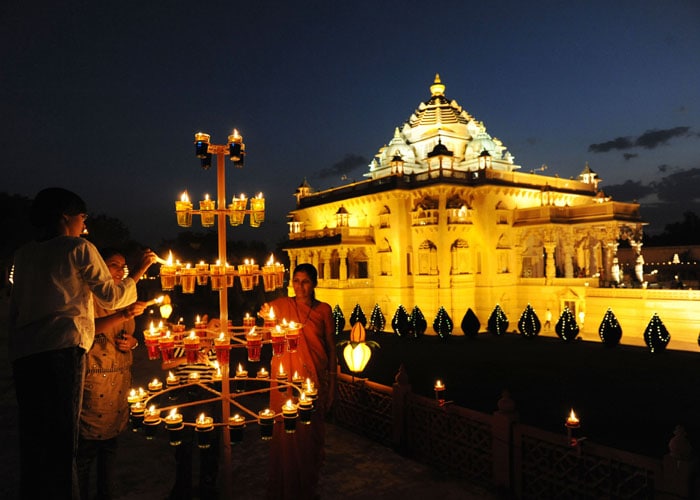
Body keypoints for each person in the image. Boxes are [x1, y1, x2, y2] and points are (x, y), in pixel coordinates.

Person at [8, 187, 156, 500]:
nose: (84, 223)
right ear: (66, 216)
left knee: (34, 439)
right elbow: (112, 297)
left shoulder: (24, 254)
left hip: (25, 356)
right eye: (82, 216)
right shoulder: (79, 248)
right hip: (62, 352)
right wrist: (140, 270)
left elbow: (16, 309)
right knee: (63, 440)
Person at [258, 263, 337, 500]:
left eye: (305, 281)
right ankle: (284, 487)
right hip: (284, 381)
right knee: (285, 433)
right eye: (296, 280)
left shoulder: (323, 310)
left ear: (314, 284)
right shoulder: (281, 305)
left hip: (312, 381)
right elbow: (265, 337)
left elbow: (331, 349)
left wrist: (332, 385)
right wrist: (266, 318)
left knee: (310, 435)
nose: (300, 286)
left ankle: (306, 487)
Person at [77, 248, 150, 500]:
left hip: (118, 383)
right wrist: (124, 314)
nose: (120, 270)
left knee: (110, 453)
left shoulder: (124, 298)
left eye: (122, 266)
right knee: (85, 455)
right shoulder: (88, 296)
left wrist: (133, 343)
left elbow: (129, 333)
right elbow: (89, 329)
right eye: (113, 265)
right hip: (94, 382)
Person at [160, 317, 220, 500]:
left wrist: (211, 359)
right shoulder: (185, 343)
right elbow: (165, 363)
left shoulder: (218, 348)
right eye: (214, 326)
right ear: (204, 325)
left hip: (207, 397)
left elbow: (220, 372)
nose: (217, 330)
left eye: (221, 327)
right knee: (184, 446)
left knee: (209, 444)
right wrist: (189, 356)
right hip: (185, 396)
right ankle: (182, 488)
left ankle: (207, 488)